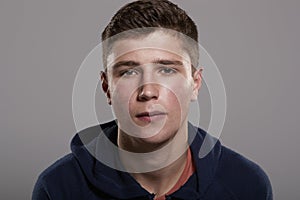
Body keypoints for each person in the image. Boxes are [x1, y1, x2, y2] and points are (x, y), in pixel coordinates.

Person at [32, 0, 273, 199]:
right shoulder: (58, 188)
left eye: (167, 70)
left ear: (195, 84)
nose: (147, 90)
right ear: (107, 87)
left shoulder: (246, 185)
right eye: (128, 71)